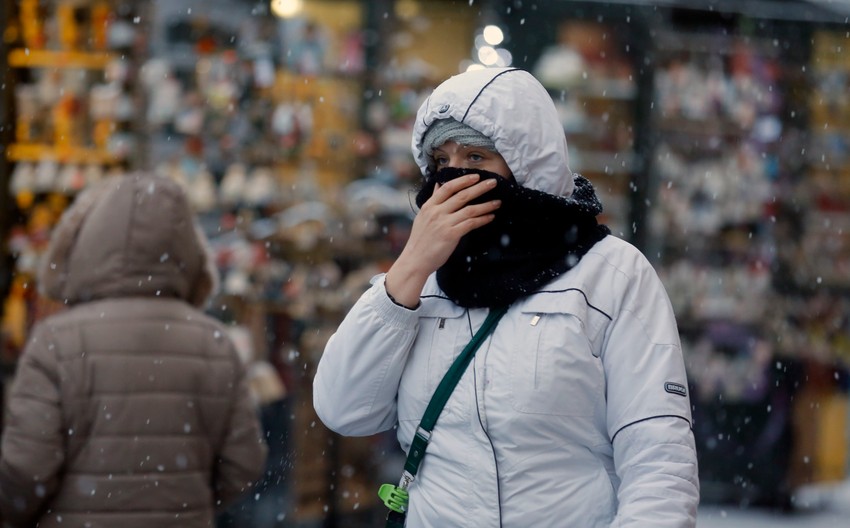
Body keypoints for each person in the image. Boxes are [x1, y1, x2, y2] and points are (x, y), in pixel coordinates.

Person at [313, 67, 699, 527]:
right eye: (441, 161)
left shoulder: (612, 275)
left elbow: (658, 459)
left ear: (527, 168)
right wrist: (409, 268)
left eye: (477, 158)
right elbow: (344, 408)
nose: (454, 178)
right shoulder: (426, 279)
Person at [0, 173, 267, 528]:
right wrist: (184, 501)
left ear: (88, 244)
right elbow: (244, 462)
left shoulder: (56, 342)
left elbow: (25, 472)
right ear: (187, 247)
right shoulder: (213, 343)